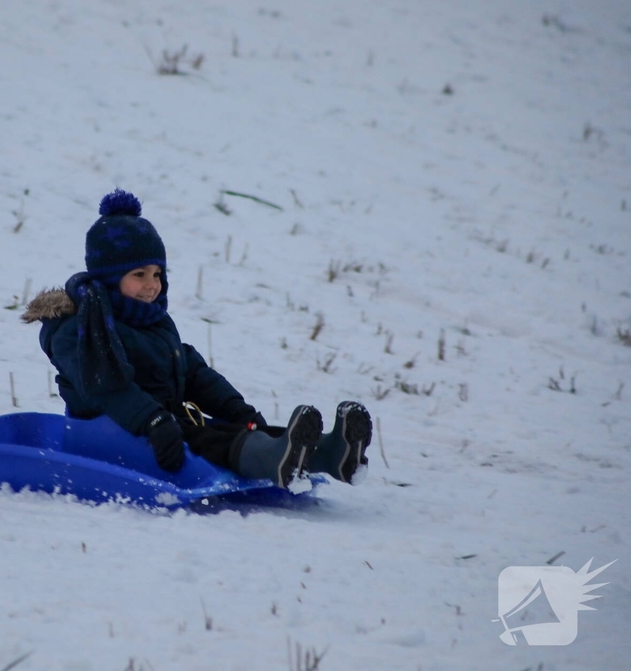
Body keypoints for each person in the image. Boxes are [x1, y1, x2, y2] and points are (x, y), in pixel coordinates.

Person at [21, 188, 372, 487]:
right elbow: (107, 389)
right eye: (139, 274)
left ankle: (328, 454)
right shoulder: (76, 328)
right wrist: (155, 421)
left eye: (157, 273)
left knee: (226, 430)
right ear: (109, 278)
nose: (151, 285)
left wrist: (239, 410)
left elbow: (192, 372)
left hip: (163, 424)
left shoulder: (153, 321)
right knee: (207, 441)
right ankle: (275, 458)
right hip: (111, 431)